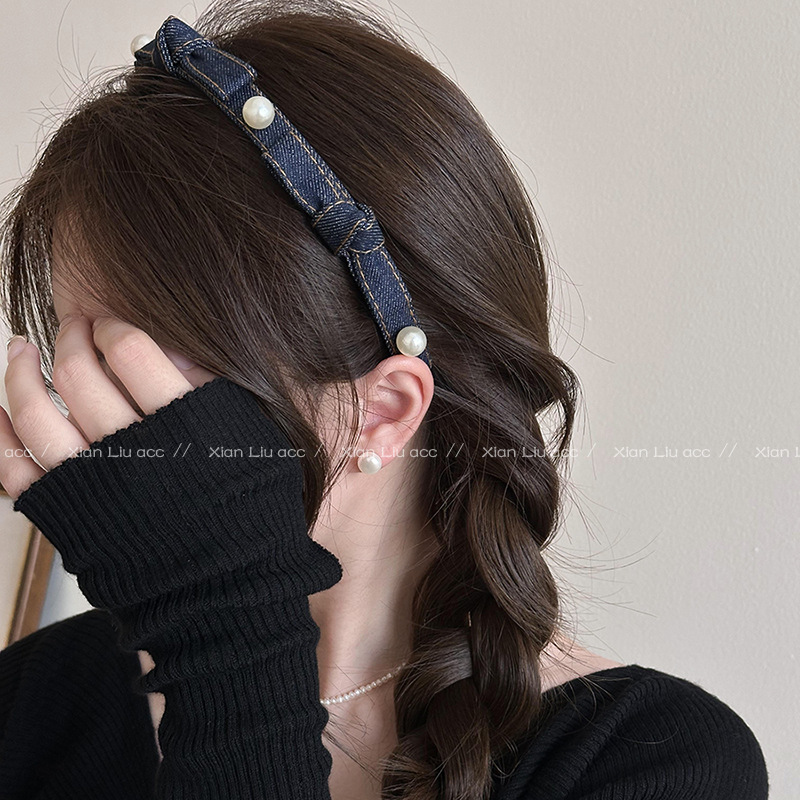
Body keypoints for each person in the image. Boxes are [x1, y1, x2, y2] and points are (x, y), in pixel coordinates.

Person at [0, 1, 769, 798]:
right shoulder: (31, 705)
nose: (81, 416)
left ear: (386, 409)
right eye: (72, 357)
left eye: (130, 364)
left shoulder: (654, 761)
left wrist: (221, 634)